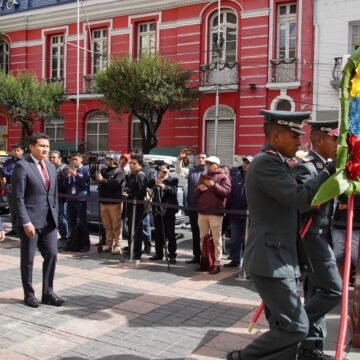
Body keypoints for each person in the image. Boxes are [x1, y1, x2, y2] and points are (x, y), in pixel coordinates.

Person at [227, 110, 335, 360]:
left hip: (280, 257)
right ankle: (241, 358)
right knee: (296, 327)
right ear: (276, 135)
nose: (299, 141)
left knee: (284, 329)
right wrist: (327, 173)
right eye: (294, 135)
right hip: (270, 259)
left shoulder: (278, 163)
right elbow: (299, 198)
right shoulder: (265, 163)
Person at [293, 120, 342, 360]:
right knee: (334, 290)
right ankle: (293, 325)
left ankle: (311, 347)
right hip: (310, 236)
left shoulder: (329, 167)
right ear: (320, 140)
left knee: (317, 293)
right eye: (334, 139)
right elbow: (301, 201)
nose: (338, 144)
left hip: (323, 234)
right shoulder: (309, 167)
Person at [11, 132, 64, 308]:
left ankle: (48, 293)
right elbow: (17, 197)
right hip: (31, 222)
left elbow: (54, 195)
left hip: (48, 222)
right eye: (41, 146)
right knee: (28, 259)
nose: (45, 149)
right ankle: (29, 294)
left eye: (47, 146)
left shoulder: (50, 167)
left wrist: (56, 220)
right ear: (32, 146)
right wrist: (25, 222)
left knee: (52, 254)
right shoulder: (22, 166)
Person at [195, 155, 231, 274]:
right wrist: (200, 188)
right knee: (202, 238)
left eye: (211, 164)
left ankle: (217, 263)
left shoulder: (223, 177)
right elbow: (195, 192)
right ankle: (205, 261)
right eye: (208, 164)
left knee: (216, 239)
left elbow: (226, 192)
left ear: (217, 165)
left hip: (215, 212)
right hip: (202, 212)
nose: (208, 166)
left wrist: (213, 185)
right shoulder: (203, 176)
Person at [224, 156, 253, 268]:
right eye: (245, 162)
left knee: (249, 241)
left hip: (251, 216)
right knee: (235, 239)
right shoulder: (235, 177)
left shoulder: (257, 177)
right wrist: (231, 207)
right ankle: (235, 260)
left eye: (248, 162)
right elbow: (230, 194)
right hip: (236, 214)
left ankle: (248, 264)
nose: (246, 164)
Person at [95, 153, 125, 255]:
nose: (108, 161)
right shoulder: (103, 170)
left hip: (114, 202)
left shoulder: (120, 172)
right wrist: (94, 167)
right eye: (107, 159)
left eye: (110, 159)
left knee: (116, 225)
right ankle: (108, 244)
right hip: (104, 201)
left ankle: (118, 245)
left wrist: (102, 180)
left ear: (114, 160)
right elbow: (95, 178)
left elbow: (116, 183)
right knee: (107, 225)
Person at [148, 164, 179, 264]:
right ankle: (158, 253)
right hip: (157, 210)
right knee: (158, 233)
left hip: (169, 210)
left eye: (165, 170)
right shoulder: (157, 179)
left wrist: (163, 185)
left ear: (169, 170)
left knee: (170, 234)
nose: (163, 171)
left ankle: (172, 255)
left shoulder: (173, 179)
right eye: (161, 170)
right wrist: (157, 178)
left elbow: (173, 191)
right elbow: (148, 185)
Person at [181, 152, 207, 265]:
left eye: (203, 158)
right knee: (195, 233)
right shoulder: (191, 171)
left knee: (205, 234)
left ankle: (206, 257)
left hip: (205, 208)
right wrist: (179, 160)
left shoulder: (209, 171)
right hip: (193, 206)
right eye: (199, 158)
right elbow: (179, 171)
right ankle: (196, 256)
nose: (200, 159)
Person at [63, 152, 91, 252]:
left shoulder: (85, 169)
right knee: (71, 222)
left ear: (81, 160)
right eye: (72, 160)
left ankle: (85, 244)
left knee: (82, 223)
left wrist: (76, 175)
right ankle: (72, 243)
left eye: (76, 159)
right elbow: (65, 185)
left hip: (80, 199)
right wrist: (68, 176)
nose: (74, 161)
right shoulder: (69, 169)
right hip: (70, 199)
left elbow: (85, 183)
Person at [123, 153, 147, 260]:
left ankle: (137, 252)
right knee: (130, 228)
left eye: (134, 163)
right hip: (130, 204)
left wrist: (130, 195)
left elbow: (141, 192)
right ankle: (131, 249)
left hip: (137, 206)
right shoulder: (130, 175)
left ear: (140, 165)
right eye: (130, 163)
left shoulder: (140, 175)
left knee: (137, 229)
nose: (132, 165)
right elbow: (128, 187)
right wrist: (125, 191)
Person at [0, 143, 24, 236]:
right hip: (10, 187)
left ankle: (20, 229)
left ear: (22, 151)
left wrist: (11, 173)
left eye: (18, 150)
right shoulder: (8, 161)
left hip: (21, 187)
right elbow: (4, 171)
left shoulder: (24, 162)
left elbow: (20, 174)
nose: (16, 152)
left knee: (19, 209)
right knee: (12, 209)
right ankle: (14, 228)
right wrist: (12, 173)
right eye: (14, 150)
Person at [49, 150, 69, 250]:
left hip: (61, 198)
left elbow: (63, 184)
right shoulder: (50, 167)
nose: (51, 159)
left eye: (54, 157)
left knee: (62, 218)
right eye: (50, 157)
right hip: (51, 197)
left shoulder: (65, 169)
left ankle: (64, 238)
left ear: (60, 159)